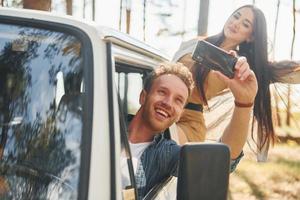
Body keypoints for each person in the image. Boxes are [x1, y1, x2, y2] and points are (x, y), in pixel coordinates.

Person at [123, 61, 257, 199]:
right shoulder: (105, 121)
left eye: (178, 100)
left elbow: (221, 163)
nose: (168, 103)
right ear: (143, 97)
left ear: (179, 114)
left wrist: (244, 103)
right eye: (162, 92)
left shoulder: (166, 154)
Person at [173, 5, 276, 152]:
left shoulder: (238, 66)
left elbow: (273, 70)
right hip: (163, 105)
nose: (236, 23)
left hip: (187, 122)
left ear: (251, 36)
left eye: (245, 24)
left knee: (158, 140)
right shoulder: (195, 42)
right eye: (236, 16)